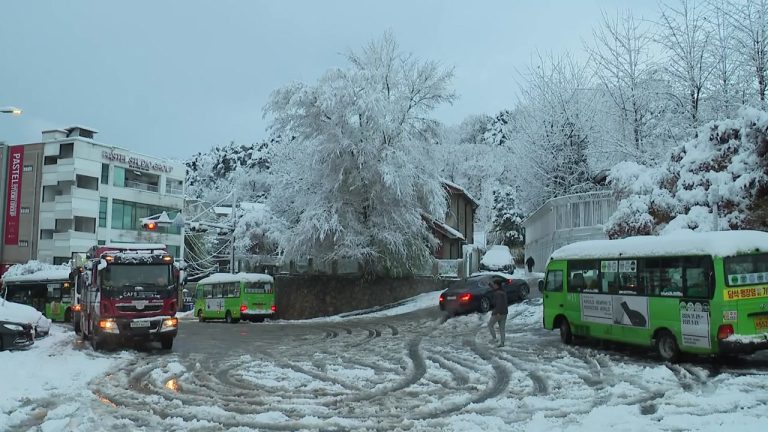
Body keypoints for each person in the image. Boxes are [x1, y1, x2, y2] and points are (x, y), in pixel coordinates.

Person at [487, 280, 509, 347]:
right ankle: (502, 343)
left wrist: (498, 312)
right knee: (502, 328)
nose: (493, 285)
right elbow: (494, 289)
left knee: (490, 325)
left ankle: (494, 339)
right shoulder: (502, 291)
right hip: (504, 312)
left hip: (498, 313)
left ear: (497, 285)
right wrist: (490, 285)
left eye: (494, 284)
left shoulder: (498, 293)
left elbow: (499, 303)